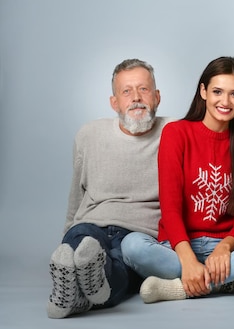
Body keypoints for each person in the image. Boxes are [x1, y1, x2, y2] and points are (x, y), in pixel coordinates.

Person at [121, 57, 234, 304]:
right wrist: (187, 258)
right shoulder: (176, 133)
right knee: (131, 245)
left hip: (229, 250)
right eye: (217, 91)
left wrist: (225, 247)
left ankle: (182, 287)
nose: (225, 102)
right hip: (176, 247)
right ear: (203, 91)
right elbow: (170, 207)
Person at [47, 58, 171, 318]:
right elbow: (76, 194)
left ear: (157, 97)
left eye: (143, 89)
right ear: (114, 102)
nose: (136, 98)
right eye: (126, 91)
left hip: (140, 235)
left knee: (120, 268)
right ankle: (73, 274)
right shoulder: (89, 135)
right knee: (80, 242)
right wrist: (65, 237)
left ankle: (70, 295)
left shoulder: (175, 132)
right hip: (92, 224)